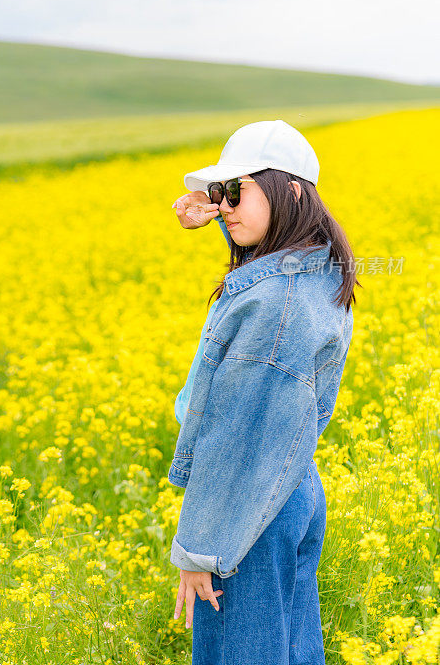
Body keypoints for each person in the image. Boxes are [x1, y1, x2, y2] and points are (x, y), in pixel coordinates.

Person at [168, 119, 359, 665]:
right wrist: (205, 213)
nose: (224, 206)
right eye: (218, 193)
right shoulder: (318, 268)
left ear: (290, 191)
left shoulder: (274, 307)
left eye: (238, 190)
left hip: (248, 509)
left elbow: (241, 439)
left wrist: (201, 549)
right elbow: (260, 239)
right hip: (291, 486)